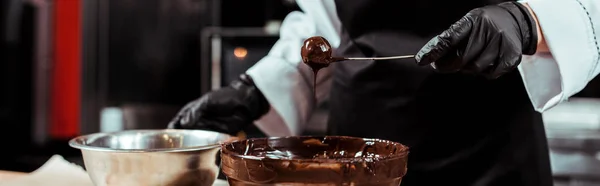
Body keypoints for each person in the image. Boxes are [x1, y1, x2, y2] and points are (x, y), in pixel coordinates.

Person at [169, 0, 600, 185]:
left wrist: (527, 22)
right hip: (352, 161)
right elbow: (329, 25)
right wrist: (255, 92)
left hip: (487, 154)